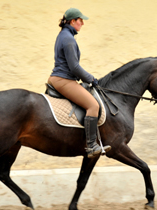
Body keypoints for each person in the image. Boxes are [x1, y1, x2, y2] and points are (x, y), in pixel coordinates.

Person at [48, 8, 111, 158]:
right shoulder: (68, 38)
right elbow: (74, 67)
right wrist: (91, 79)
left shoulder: (65, 35)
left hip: (61, 78)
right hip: (63, 80)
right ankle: (91, 146)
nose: (82, 23)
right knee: (93, 105)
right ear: (72, 21)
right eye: (80, 20)